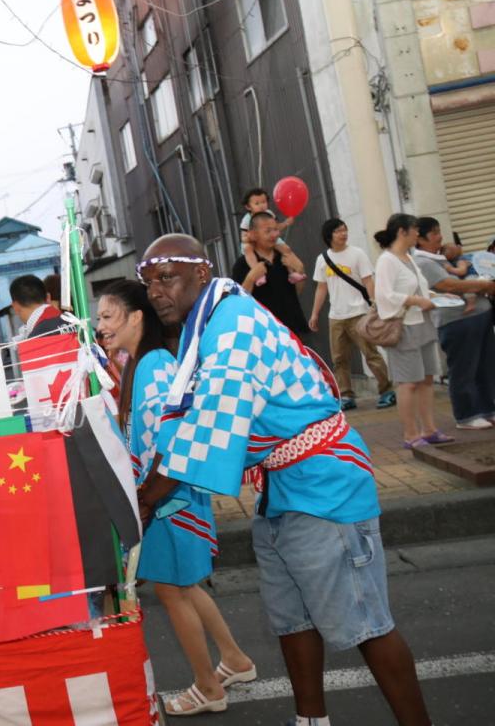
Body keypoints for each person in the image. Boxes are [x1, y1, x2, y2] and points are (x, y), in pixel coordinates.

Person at [137, 234, 431, 726]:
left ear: (202, 275)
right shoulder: (212, 321)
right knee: (294, 624)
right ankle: (310, 720)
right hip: (283, 487)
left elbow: (207, 427)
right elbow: (192, 427)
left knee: (367, 626)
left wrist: (145, 500)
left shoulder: (230, 325)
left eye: (166, 277)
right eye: (148, 284)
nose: (157, 292)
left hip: (323, 486)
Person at [98, 280, 254, 717]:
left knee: (171, 590)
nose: (101, 326)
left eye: (108, 316)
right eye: (99, 319)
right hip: (167, 495)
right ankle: (235, 660)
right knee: (184, 585)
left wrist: (147, 497)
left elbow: (166, 441)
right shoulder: (141, 363)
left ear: (136, 317)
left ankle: (209, 687)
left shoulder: (154, 365)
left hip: (168, 498)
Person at [373, 214, 451, 448]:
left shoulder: (409, 257)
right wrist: (416, 301)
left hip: (423, 323)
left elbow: (420, 288)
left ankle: (429, 430)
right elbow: (384, 295)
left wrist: (436, 296)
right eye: (415, 230)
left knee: (426, 379)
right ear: (401, 232)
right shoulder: (387, 260)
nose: (418, 234)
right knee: (408, 382)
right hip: (403, 327)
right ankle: (411, 435)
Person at [413, 216, 495, 430]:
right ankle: (466, 415)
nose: (440, 237)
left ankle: (489, 409)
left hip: (479, 317)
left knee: (485, 367)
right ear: (419, 239)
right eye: (434, 233)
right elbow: (449, 284)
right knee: (463, 369)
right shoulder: (422, 262)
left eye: (439, 231)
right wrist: (483, 285)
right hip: (457, 322)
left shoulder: (441, 257)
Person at [308, 218, 396, 411]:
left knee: (370, 354)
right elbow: (321, 288)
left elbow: (368, 281)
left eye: (345, 230)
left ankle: (387, 391)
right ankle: (346, 395)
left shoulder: (357, 254)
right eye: (338, 231)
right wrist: (315, 313)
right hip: (336, 316)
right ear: (329, 235)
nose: (343, 234)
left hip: (359, 313)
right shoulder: (322, 259)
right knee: (339, 359)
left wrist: (374, 304)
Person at [232, 212, 310, 335]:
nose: (274, 235)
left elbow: (297, 292)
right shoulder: (242, 264)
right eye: (268, 231)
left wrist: (299, 269)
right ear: (253, 234)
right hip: (267, 335)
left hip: (296, 329)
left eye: (275, 230)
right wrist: (251, 278)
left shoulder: (284, 256)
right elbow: (238, 302)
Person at [238, 187, 305, 283]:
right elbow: (244, 238)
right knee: (248, 249)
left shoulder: (269, 214)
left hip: (271, 239)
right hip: (253, 242)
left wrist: (286, 223)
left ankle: (291, 273)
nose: (261, 206)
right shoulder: (247, 219)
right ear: (248, 207)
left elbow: (276, 228)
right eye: (257, 203)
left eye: (264, 202)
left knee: (286, 249)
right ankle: (258, 274)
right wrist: (251, 238)